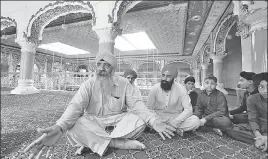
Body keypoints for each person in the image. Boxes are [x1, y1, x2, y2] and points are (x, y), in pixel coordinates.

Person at [24, 51, 176, 158]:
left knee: (140, 119)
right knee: (73, 125)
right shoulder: (88, 84)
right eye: (99, 64)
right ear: (95, 67)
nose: (102, 68)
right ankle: (116, 143)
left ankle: (93, 142)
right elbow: (75, 106)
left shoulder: (124, 84)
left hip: (117, 122)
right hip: (93, 121)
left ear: (113, 69)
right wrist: (58, 127)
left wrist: (154, 121)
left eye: (106, 65)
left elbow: (137, 105)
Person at [146, 65, 200, 137]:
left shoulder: (181, 89)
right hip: (159, 118)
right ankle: (174, 130)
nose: (164, 78)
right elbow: (148, 108)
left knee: (196, 121)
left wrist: (173, 123)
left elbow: (188, 110)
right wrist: (156, 121)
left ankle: (164, 129)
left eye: (168, 76)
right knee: (142, 119)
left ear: (174, 78)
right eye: (163, 75)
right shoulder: (155, 88)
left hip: (175, 118)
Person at [225, 72, 267, 152]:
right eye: (261, 87)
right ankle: (260, 140)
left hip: (258, 121)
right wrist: (258, 134)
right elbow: (251, 117)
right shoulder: (251, 97)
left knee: (239, 118)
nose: (265, 91)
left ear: (251, 82)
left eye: (241, 80)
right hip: (257, 123)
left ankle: (261, 140)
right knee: (230, 129)